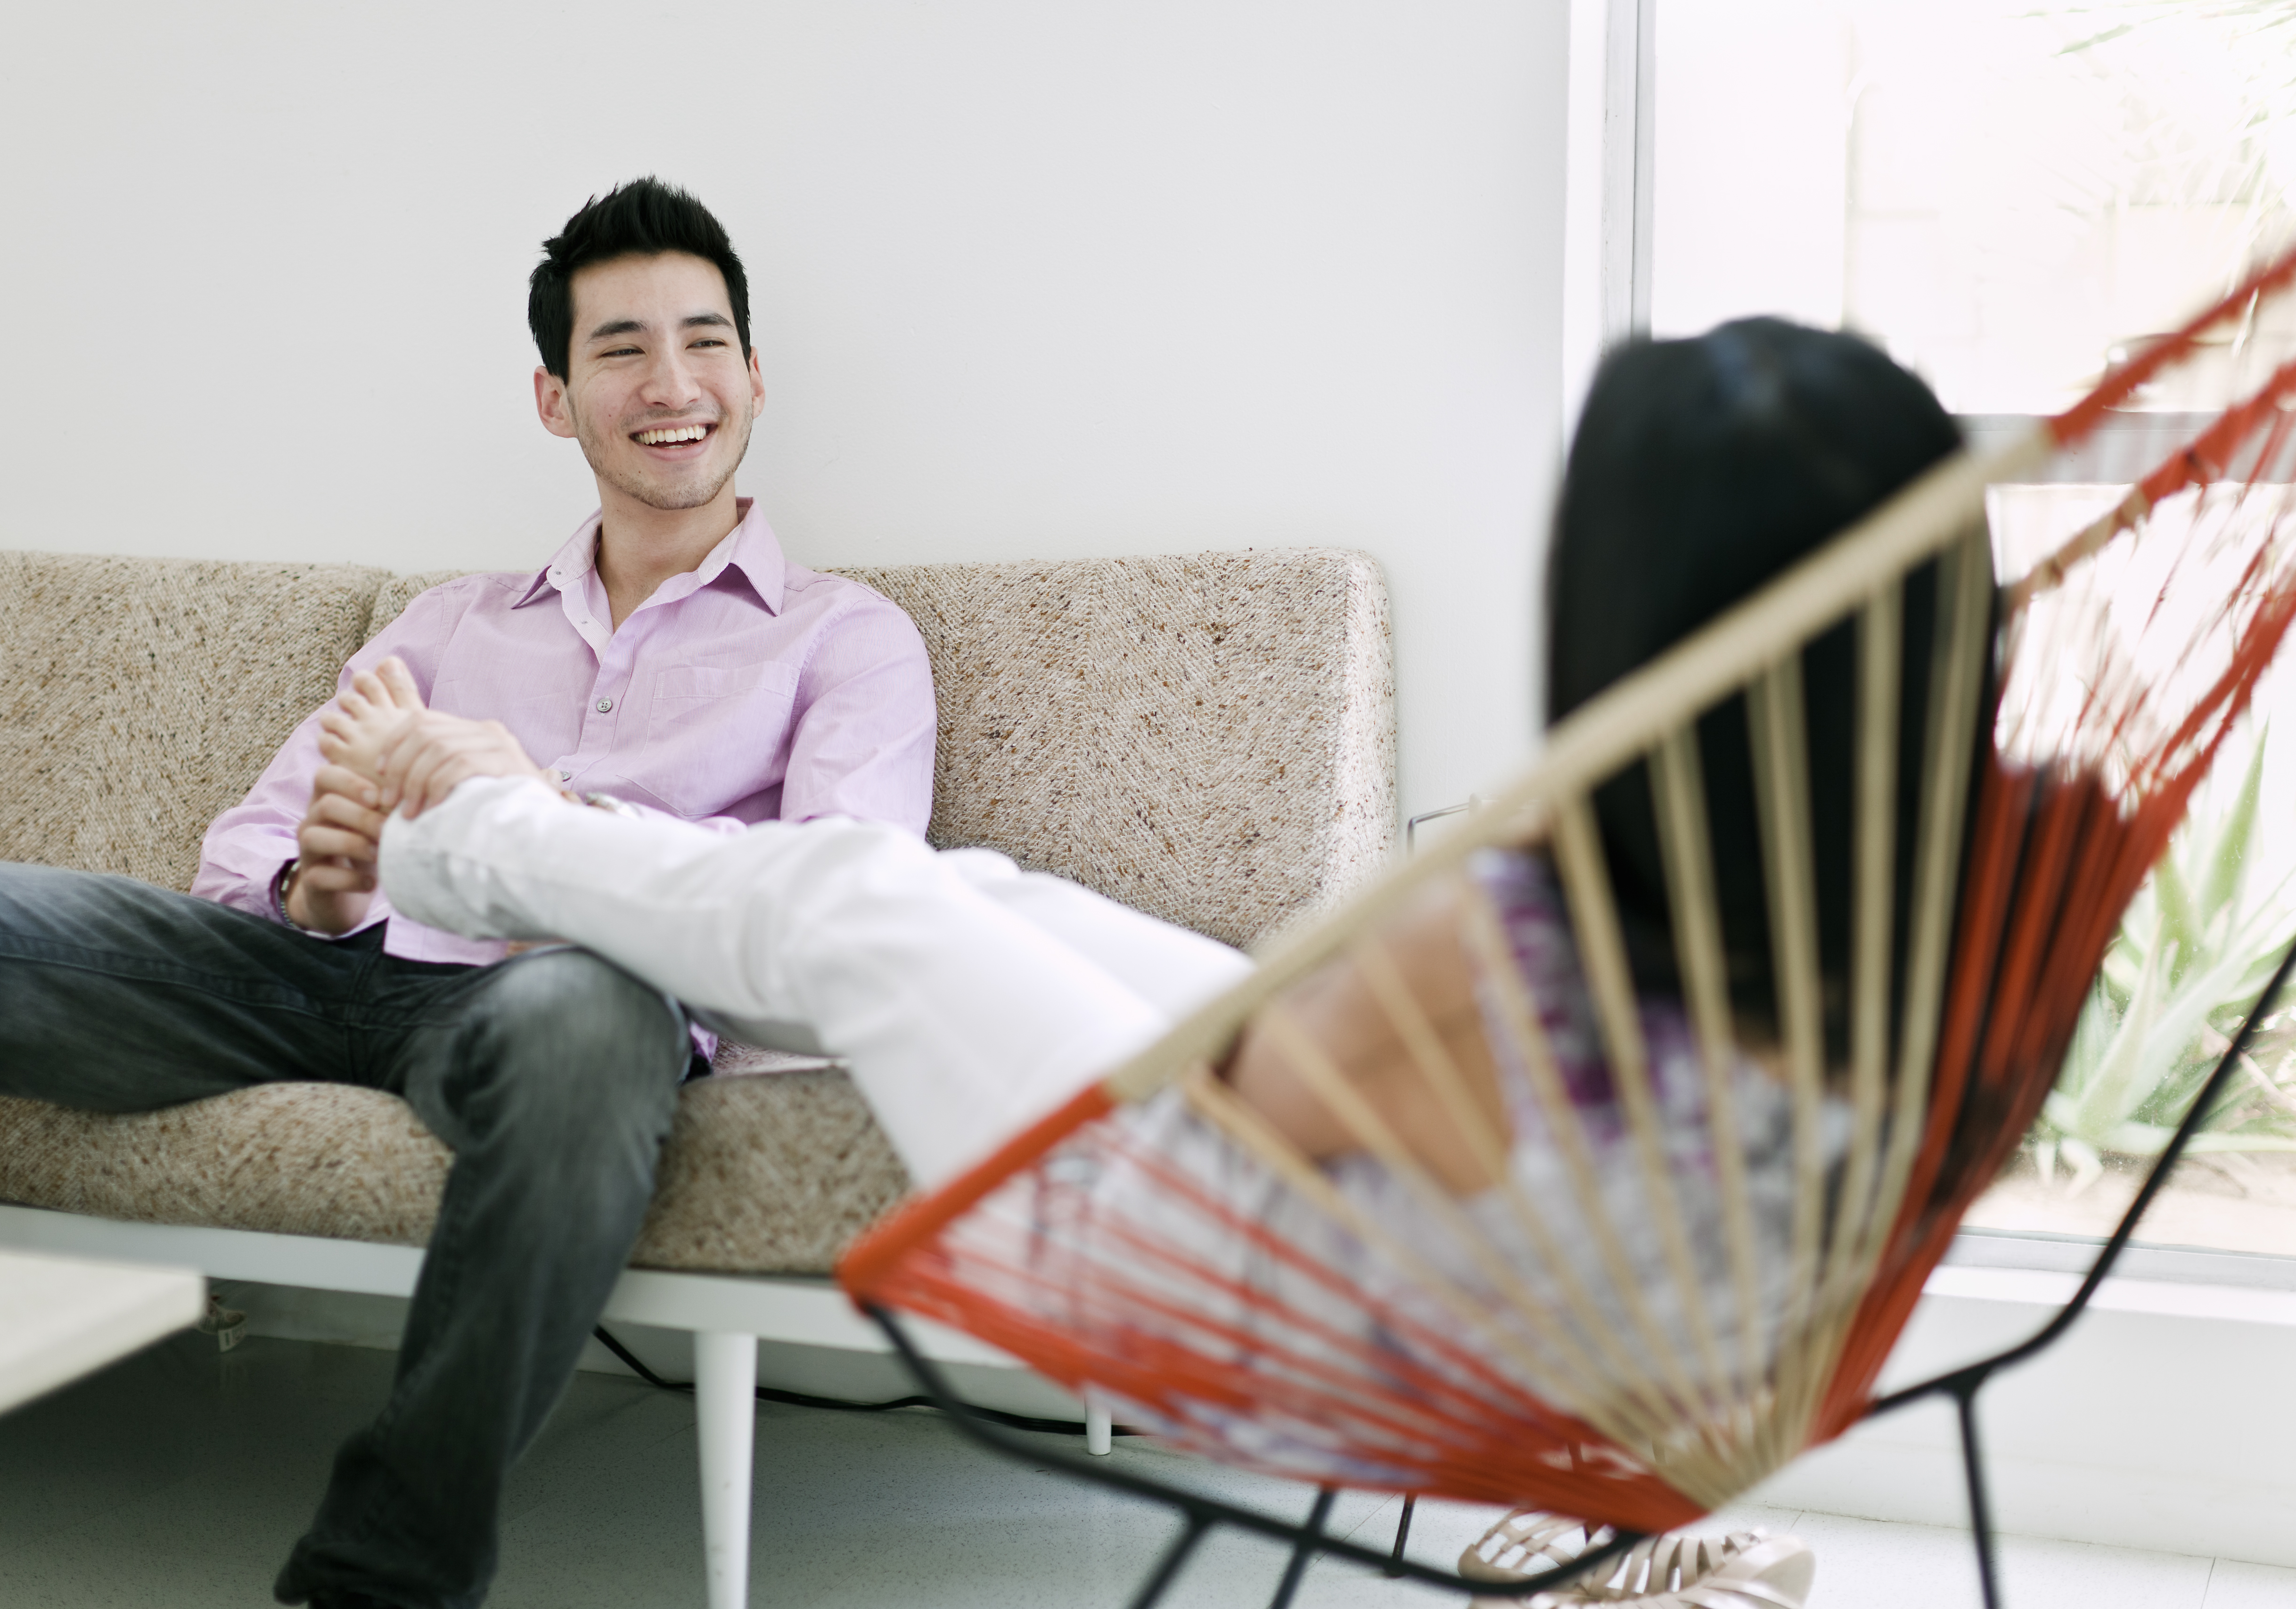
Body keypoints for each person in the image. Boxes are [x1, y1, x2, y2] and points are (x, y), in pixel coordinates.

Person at [297, 318, 1966, 1608]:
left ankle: (470, 830)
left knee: (874, 914)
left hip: (1299, 1276)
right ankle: (496, 834)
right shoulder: (1849, 873)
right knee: (968, 892)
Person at [0, 176, 935, 1609]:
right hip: (322, 974)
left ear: (754, 375)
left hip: (563, 991)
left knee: (586, 1013)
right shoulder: (448, 621)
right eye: (618, 348)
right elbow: (245, 857)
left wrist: (547, 817)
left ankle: (381, 1577)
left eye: (703, 341)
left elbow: (834, 915)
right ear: (557, 399)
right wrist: (317, 886)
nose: (670, 383)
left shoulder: (846, 641)